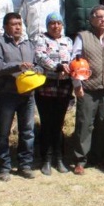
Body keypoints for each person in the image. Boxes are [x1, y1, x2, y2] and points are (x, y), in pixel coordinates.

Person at [0, 12, 41, 181]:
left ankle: (25, 165)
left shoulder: (28, 44)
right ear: (5, 27)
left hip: (27, 95)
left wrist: (36, 70)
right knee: (3, 132)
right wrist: (17, 66)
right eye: (13, 24)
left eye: (19, 24)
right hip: (7, 94)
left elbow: (38, 64)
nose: (18, 27)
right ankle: (3, 167)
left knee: (27, 132)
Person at [72, 6, 104, 173]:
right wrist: (77, 85)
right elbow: (75, 61)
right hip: (87, 88)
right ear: (91, 19)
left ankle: (99, 158)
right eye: (99, 17)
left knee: (103, 125)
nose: (103, 20)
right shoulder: (83, 37)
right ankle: (80, 160)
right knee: (84, 124)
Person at [32, 12, 74, 175]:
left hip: (63, 88)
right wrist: (58, 67)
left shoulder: (68, 41)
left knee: (58, 124)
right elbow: (40, 56)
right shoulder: (41, 39)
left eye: (58, 23)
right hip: (46, 87)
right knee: (47, 124)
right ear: (47, 25)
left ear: (62, 25)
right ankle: (46, 159)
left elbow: (72, 59)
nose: (55, 26)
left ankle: (59, 158)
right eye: (52, 23)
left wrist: (71, 67)